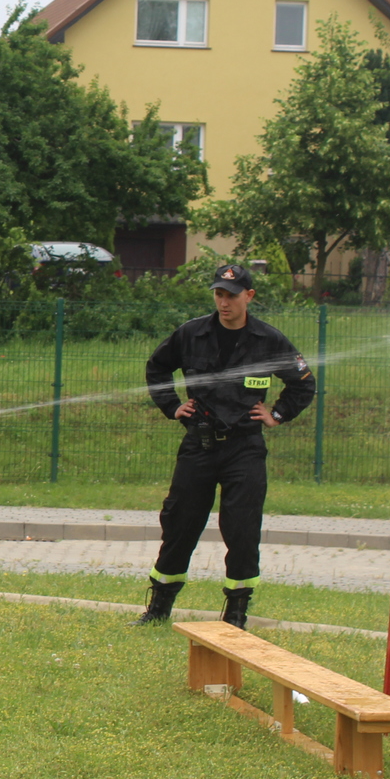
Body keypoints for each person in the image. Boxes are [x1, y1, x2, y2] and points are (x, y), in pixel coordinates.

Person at [136, 264, 315, 629]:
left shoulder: (269, 340)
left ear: (249, 296)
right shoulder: (191, 334)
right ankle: (158, 609)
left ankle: (235, 615)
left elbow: (304, 383)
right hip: (198, 446)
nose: (223, 302)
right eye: (218, 294)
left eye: (231, 295)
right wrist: (172, 406)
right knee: (180, 523)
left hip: (244, 448)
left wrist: (277, 414)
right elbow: (157, 368)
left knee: (242, 529)